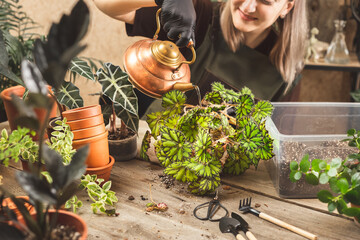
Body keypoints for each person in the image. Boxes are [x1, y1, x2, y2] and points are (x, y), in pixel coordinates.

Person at [93, 0, 308, 117]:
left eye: (265, 1)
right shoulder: (199, 15)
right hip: (150, 155)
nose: (248, 6)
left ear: (287, 6)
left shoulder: (286, 73)